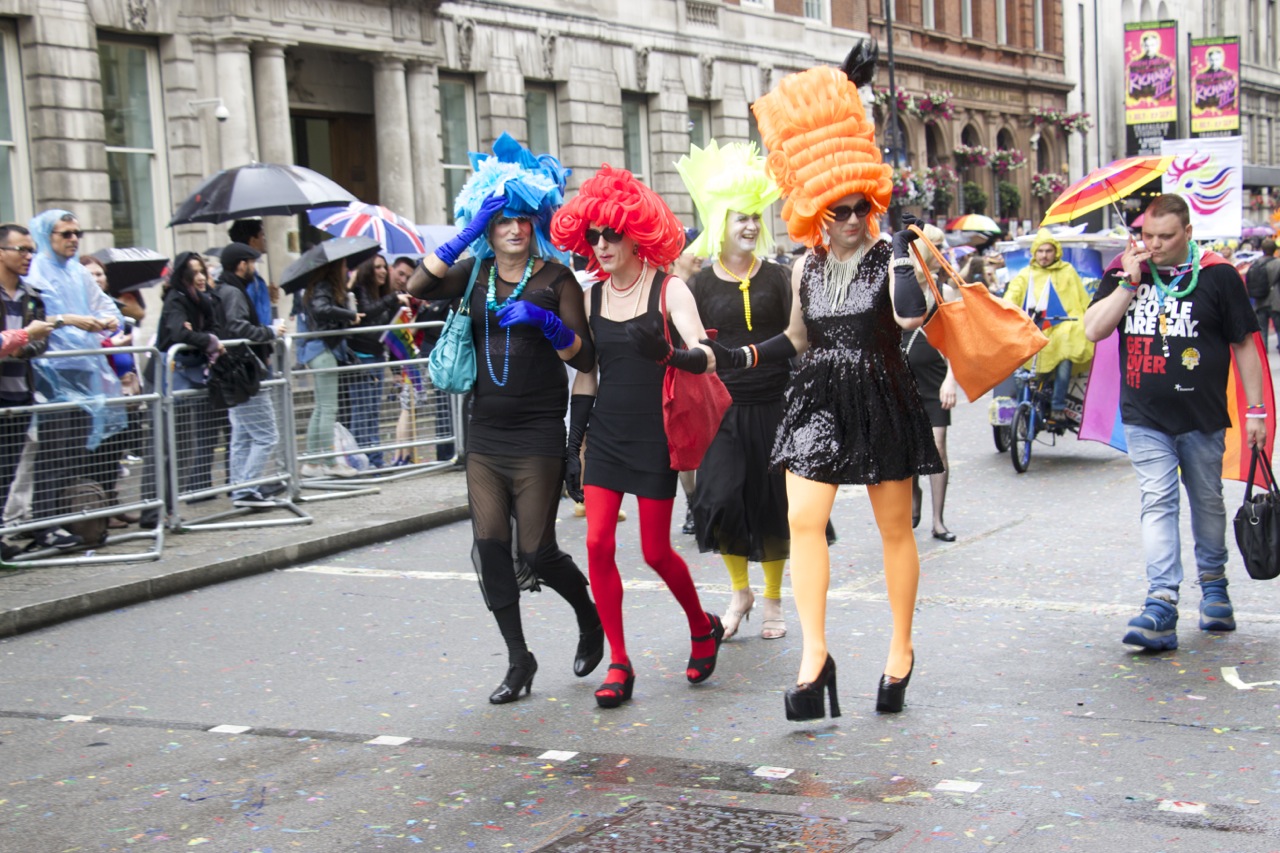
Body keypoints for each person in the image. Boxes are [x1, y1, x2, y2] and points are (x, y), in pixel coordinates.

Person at [708, 55, 943, 720]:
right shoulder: (807, 265)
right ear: (815, 206)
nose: (847, 217)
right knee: (804, 520)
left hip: (881, 390)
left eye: (859, 205)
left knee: (895, 528)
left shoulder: (890, 253)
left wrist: (897, 247)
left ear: (872, 198)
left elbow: (908, 316)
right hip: (816, 396)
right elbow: (799, 338)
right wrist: (744, 355)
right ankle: (815, 656)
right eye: (836, 208)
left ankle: (900, 648)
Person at [408, 132, 603, 704]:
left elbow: (587, 358)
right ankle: (519, 659)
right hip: (487, 433)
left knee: (536, 551)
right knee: (491, 546)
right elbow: (419, 287)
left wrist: (549, 326)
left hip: (540, 430)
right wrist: (465, 234)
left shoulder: (556, 278)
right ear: (488, 225)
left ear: (535, 220)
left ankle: (588, 616)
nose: (513, 229)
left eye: (521, 218)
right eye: (501, 220)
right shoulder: (473, 273)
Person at [551, 164, 724, 710]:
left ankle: (702, 626)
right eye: (593, 235)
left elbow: (707, 356)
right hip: (605, 433)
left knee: (654, 551)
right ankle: (620, 661)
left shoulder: (670, 289)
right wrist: (571, 449)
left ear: (635, 233)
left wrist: (671, 354)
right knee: (598, 543)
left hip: (654, 436)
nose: (601, 245)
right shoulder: (592, 297)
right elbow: (587, 375)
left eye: (611, 234)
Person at [1084, 193, 1266, 651]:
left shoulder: (1219, 275)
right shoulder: (1125, 271)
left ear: (1187, 232)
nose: (1156, 244)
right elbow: (1093, 329)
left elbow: (1244, 343)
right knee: (1157, 498)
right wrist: (1128, 283)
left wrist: (1256, 410)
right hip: (1145, 415)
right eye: (1148, 235)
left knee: (1207, 502)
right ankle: (1161, 601)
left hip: (1202, 417)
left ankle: (1213, 584)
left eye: (1166, 237)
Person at [675, 139, 794, 640]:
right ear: (719, 221)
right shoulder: (700, 285)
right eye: (739, 217)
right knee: (720, 500)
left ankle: (771, 601)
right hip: (721, 409)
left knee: (772, 504)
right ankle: (739, 590)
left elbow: (799, 340)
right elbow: (689, 338)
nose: (749, 226)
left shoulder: (782, 277)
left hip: (774, 404)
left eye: (755, 217)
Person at [26, 210, 125, 551]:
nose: (72, 240)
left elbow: (108, 309)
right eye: (65, 233)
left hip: (84, 371)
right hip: (52, 374)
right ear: (46, 235)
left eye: (76, 234)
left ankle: (70, 522)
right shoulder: (37, 269)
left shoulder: (79, 273)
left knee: (73, 454)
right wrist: (72, 321)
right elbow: (41, 319)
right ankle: (44, 525)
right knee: (52, 453)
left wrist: (109, 322)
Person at [145, 253, 223, 524]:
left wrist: (201, 337)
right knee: (164, 445)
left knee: (184, 446)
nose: (201, 276)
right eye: (194, 272)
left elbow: (214, 329)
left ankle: (167, 507)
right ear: (182, 276)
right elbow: (179, 334)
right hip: (165, 377)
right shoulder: (176, 299)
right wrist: (201, 338)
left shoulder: (203, 300)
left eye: (202, 270)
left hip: (187, 375)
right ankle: (153, 509)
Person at [210, 243, 287, 507]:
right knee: (267, 436)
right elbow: (237, 327)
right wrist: (269, 332)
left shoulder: (223, 289)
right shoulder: (232, 291)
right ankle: (246, 488)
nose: (254, 268)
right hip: (243, 371)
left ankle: (240, 488)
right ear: (241, 264)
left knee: (242, 436)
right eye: (252, 263)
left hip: (235, 370)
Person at [900, 224, 960, 542]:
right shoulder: (898, 287)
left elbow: (955, 341)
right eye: (934, 247)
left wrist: (951, 379)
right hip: (902, 380)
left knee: (937, 448)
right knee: (908, 448)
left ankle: (938, 520)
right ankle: (913, 495)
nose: (940, 253)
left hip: (935, 380)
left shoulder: (943, 291)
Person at [1003, 231, 1095, 422]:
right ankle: (1023, 406)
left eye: (1048, 251)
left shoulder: (1068, 271)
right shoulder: (1026, 274)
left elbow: (1081, 300)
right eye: (1041, 251)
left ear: (1056, 252)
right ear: (1034, 253)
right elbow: (1012, 297)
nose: (1044, 255)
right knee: (1018, 367)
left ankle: (1058, 405)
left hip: (1062, 330)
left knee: (1065, 353)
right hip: (1032, 329)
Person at [0, 223, 52, 559]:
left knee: (7, 470)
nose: (28, 256)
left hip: (21, 393)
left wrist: (21, 349)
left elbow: (42, 341)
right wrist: (20, 341)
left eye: (31, 250)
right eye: (21, 249)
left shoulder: (33, 296)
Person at [294, 258, 361, 479]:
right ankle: (330, 463)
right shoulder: (323, 287)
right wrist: (350, 315)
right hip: (323, 351)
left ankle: (313, 462)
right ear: (334, 268)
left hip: (318, 351)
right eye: (343, 266)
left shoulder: (317, 287)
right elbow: (322, 309)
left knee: (321, 408)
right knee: (328, 408)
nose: (346, 269)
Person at [348, 255, 410, 468]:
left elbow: (390, 332)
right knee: (362, 411)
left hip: (377, 356)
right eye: (377, 267)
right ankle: (359, 462)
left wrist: (395, 369)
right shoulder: (360, 291)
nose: (383, 271)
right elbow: (365, 314)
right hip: (361, 358)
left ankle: (373, 461)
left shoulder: (384, 294)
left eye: (384, 267)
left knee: (372, 411)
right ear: (367, 270)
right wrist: (393, 299)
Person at [228, 219, 279, 326]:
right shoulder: (246, 278)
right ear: (253, 241)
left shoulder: (254, 277)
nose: (264, 239)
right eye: (262, 235)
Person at [1246, 237, 1279, 347]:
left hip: (1260, 301)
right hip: (1276, 302)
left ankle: (1264, 355)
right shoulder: (1277, 263)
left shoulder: (1255, 264)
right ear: (1275, 249)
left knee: (1263, 331)